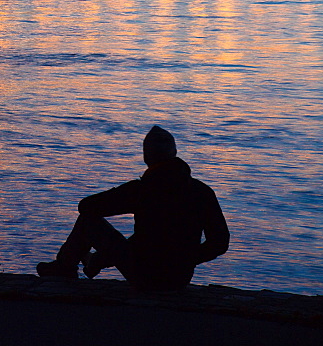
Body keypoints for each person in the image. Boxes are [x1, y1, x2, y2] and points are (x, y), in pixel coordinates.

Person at [36, 125, 229, 291]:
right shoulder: (202, 191)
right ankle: (92, 262)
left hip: (144, 276)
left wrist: (120, 193)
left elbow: (86, 207)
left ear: (147, 156)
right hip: (179, 280)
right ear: (174, 153)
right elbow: (220, 242)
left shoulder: (142, 189)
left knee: (88, 222)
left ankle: (65, 268)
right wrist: (184, 260)